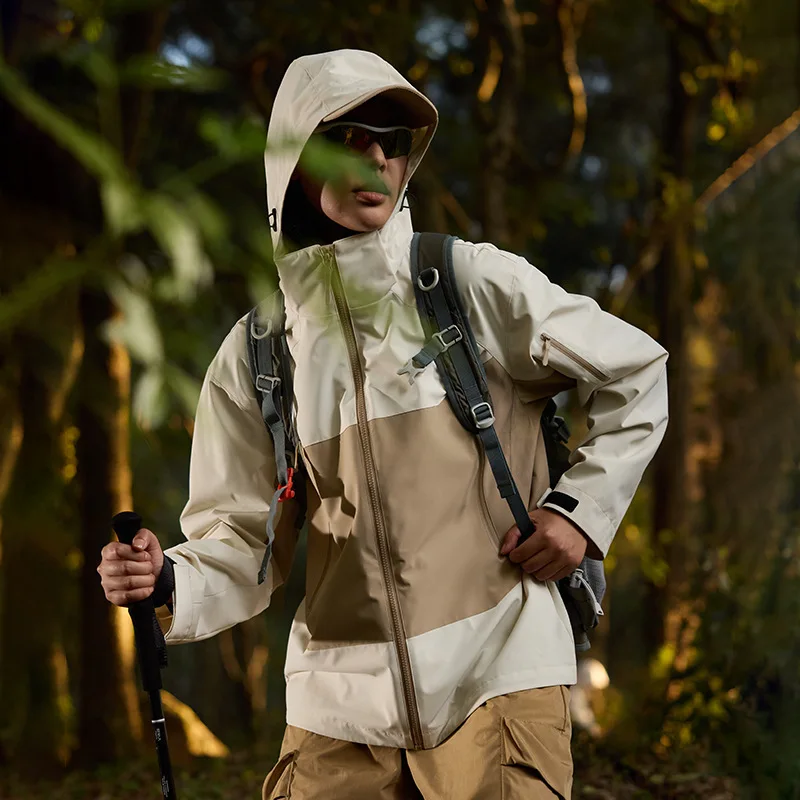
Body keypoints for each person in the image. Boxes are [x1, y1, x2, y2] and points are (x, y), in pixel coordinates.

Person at [98, 49, 668, 799]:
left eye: (391, 142)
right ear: (295, 161)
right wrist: (166, 576)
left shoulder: (467, 281)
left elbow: (636, 370)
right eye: (348, 138)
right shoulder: (258, 354)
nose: (374, 158)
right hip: (336, 706)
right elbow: (238, 540)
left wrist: (579, 515)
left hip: (499, 671)